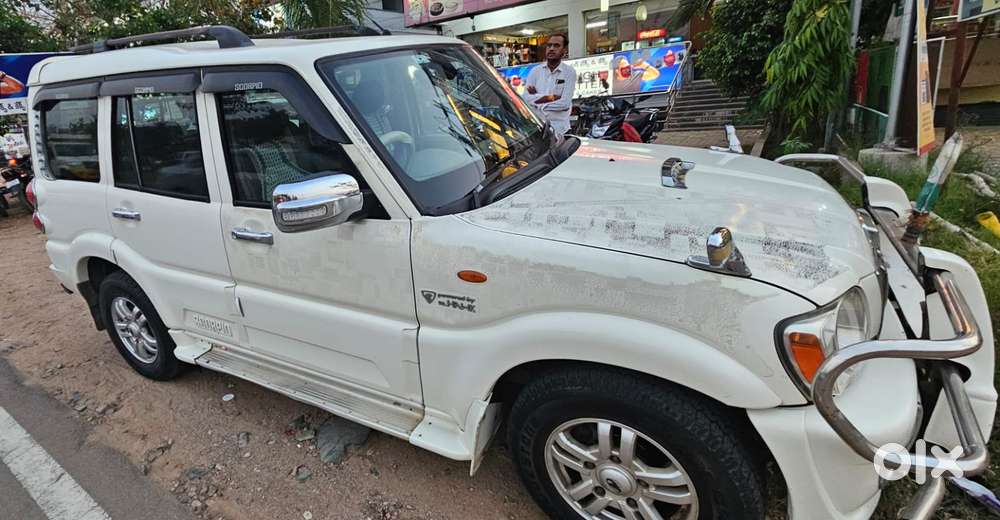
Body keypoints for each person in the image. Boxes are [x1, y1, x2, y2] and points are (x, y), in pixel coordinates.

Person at [522, 33, 576, 135]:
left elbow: (564, 103)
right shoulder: (535, 71)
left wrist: (538, 102)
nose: (551, 49)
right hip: (538, 128)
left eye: (556, 45)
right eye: (549, 45)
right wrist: (553, 97)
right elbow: (526, 99)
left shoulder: (569, 72)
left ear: (564, 50)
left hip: (560, 130)